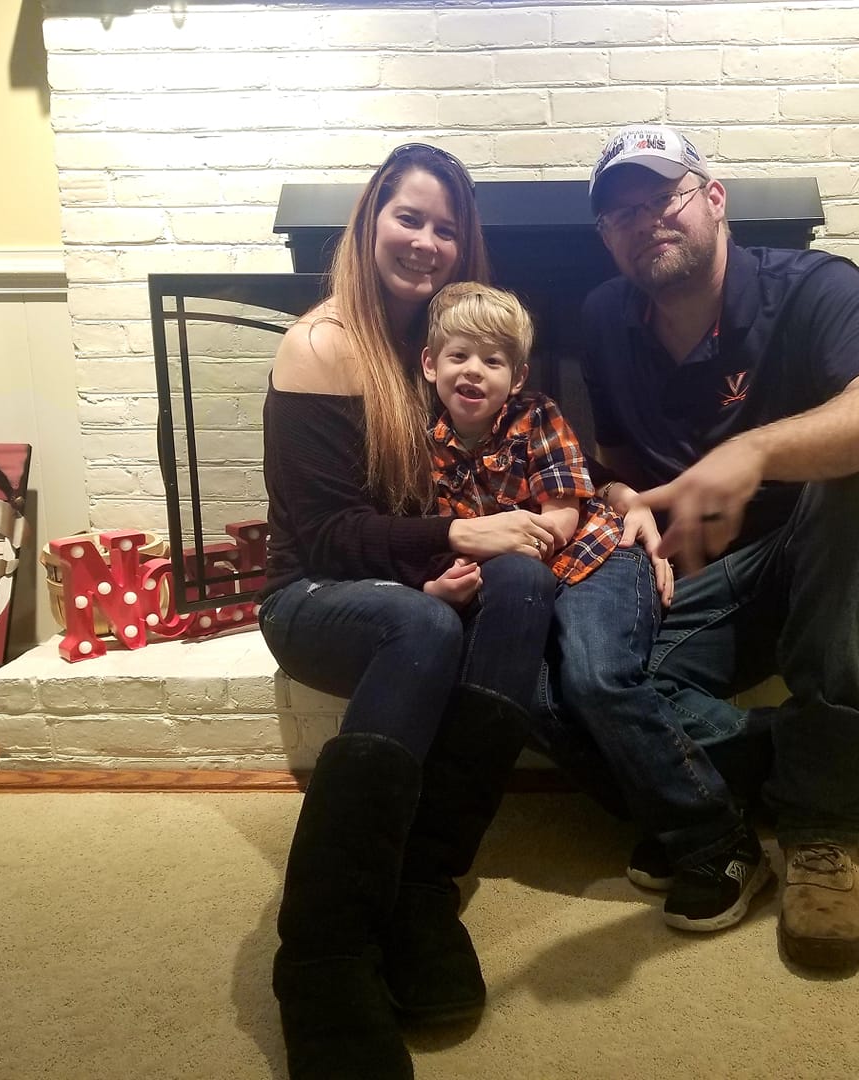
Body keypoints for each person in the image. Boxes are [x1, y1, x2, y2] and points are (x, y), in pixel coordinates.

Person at [559, 124, 859, 971]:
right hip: (718, 583)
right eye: (621, 215)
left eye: (664, 198)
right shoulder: (606, 317)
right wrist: (620, 502)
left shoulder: (812, 286)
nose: (645, 223)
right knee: (588, 699)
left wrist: (752, 453)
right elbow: (612, 465)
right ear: (607, 239)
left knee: (857, 484)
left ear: (715, 200)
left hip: (847, 559)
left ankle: (822, 832)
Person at [257, 144, 560, 1080]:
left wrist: (608, 502)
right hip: (310, 595)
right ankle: (322, 954)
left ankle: (422, 886)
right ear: (369, 220)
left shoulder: (434, 354)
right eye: (409, 218)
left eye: (445, 227)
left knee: (524, 581)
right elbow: (330, 535)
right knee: (425, 621)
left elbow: (538, 470)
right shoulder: (322, 346)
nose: (427, 241)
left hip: (401, 588)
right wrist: (458, 539)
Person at [421, 281, 771, 932]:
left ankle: (717, 839)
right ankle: (670, 810)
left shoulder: (535, 415)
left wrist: (508, 535)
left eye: (493, 361)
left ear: (516, 374)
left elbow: (562, 514)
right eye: (460, 355)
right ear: (430, 363)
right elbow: (435, 538)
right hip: (523, 593)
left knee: (596, 675)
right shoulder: (424, 447)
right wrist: (443, 584)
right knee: (539, 704)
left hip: (597, 562)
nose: (473, 371)